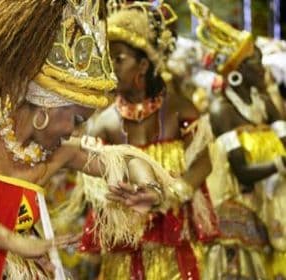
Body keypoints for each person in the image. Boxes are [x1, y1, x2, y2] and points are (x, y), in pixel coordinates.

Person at [0, 0, 178, 279]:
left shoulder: (54, 154)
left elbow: (126, 158)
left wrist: (148, 187)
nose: (74, 133)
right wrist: (14, 242)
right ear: (47, 109)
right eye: (76, 120)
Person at [79, 2, 217, 279]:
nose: (110, 67)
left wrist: (171, 193)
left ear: (143, 64)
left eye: (119, 59)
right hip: (125, 245)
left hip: (174, 242)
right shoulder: (102, 123)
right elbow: (95, 185)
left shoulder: (180, 109)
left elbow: (203, 163)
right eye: (109, 59)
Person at [190, 1, 286, 278]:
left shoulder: (265, 102)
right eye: (255, 60)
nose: (263, 67)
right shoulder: (223, 111)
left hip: (272, 202)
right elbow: (242, 171)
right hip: (238, 207)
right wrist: (280, 164)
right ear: (237, 70)